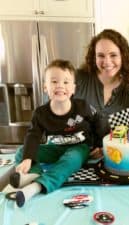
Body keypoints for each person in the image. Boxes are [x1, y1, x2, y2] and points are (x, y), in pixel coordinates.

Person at [9, 59, 102, 207]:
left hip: (79, 148)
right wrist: (28, 158)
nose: (60, 85)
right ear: (45, 87)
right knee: (22, 152)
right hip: (54, 149)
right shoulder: (40, 114)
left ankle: (38, 186)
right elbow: (33, 136)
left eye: (66, 82)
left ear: (73, 89)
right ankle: (34, 173)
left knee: (72, 159)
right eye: (54, 81)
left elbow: (98, 122)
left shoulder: (83, 107)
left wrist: (99, 145)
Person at [74, 29, 129, 158]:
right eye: (101, 55)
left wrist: (106, 149)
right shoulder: (78, 79)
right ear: (94, 57)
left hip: (111, 158)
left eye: (113, 55)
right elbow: (55, 110)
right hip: (73, 154)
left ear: (123, 56)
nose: (107, 62)